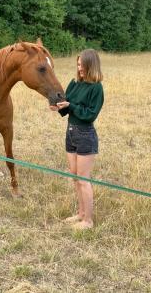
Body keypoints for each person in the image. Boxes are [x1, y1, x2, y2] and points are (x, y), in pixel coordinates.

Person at [50, 49, 104, 230]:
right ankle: (81, 214)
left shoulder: (96, 88)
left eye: (82, 65)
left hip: (85, 135)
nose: (79, 68)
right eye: (78, 64)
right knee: (75, 177)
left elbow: (90, 115)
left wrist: (71, 105)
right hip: (71, 132)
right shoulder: (74, 83)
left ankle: (88, 221)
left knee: (83, 179)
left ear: (91, 65)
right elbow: (67, 108)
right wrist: (58, 107)